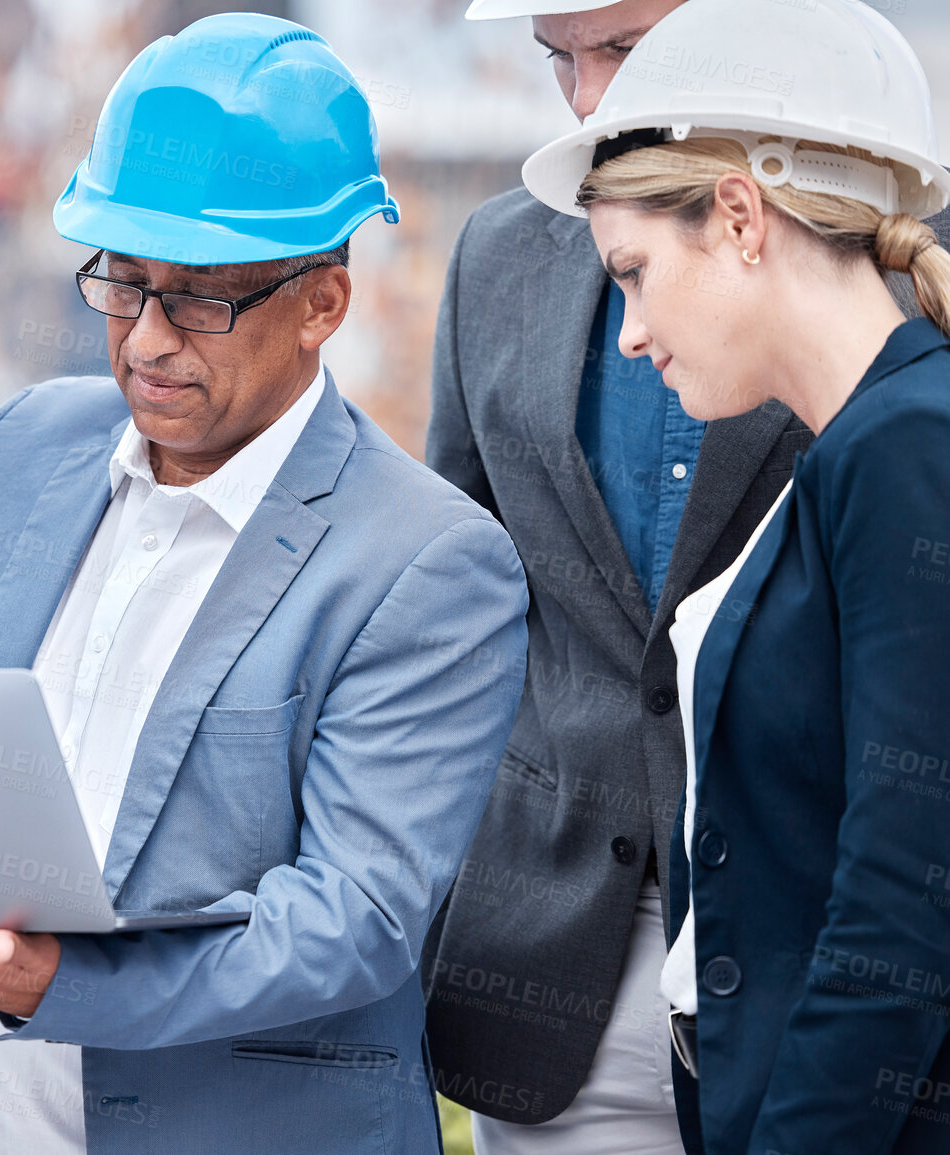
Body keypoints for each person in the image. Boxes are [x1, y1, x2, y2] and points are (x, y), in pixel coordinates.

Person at [0, 13, 530, 1154]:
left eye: (199, 299)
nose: (143, 340)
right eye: (123, 284)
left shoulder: (426, 564)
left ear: (323, 304)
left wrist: (57, 984)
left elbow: (351, 922)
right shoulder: (33, 446)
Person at [524, 0, 950, 1150]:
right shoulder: (858, 448)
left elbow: (906, 903)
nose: (627, 331)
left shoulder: (909, 449)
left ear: (740, 217)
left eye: (635, 273)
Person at [425, 2, 796, 1151]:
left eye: (621, 54)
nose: (588, 101)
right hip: (546, 963)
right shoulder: (498, 257)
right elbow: (457, 602)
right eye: (557, 61)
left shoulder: (886, 265)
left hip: (805, 957)